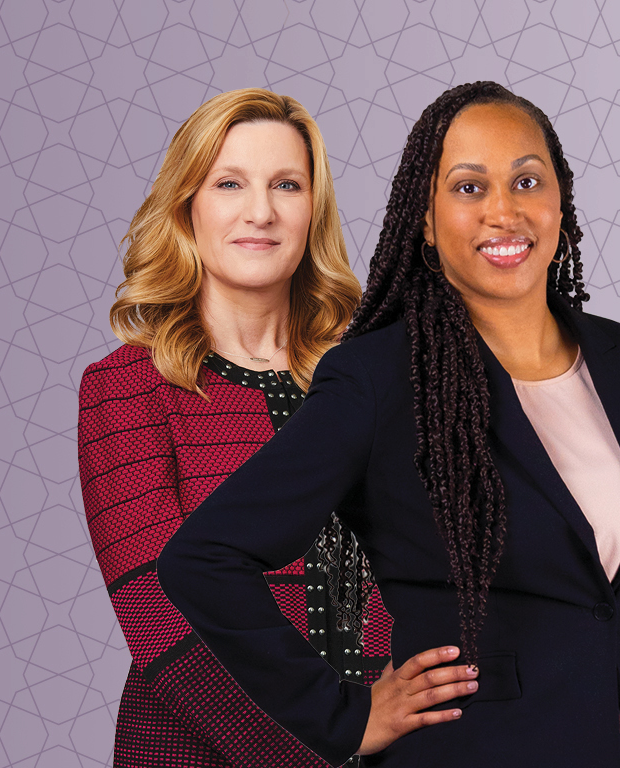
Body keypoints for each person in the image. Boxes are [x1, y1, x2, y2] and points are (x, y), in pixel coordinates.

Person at [160, 81, 620, 767]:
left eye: (527, 180)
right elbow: (204, 559)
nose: (504, 211)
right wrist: (341, 716)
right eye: (468, 188)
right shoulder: (378, 379)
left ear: (561, 202)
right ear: (425, 220)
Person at [77, 87, 396, 768]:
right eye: (230, 183)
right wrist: (336, 738)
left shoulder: (376, 371)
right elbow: (165, 619)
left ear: (315, 209)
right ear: (188, 205)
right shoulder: (127, 389)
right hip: (203, 753)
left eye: (287, 184)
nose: (261, 211)